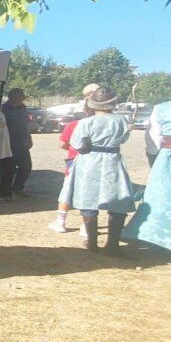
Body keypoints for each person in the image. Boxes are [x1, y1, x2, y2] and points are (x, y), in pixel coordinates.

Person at [63, 87, 135, 254]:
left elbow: (77, 144)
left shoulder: (85, 122)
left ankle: (92, 243)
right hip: (113, 161)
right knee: (117, 199)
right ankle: (112, 244)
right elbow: (124, 138)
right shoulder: (121, 120)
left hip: (89, 161)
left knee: (88, 199)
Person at [124, 81, 171, 254]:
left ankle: (159, 237)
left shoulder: (161, 108)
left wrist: (153, 157)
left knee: (162, 196)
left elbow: (153, 137)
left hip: (169, 157)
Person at [48, 83, 99, 236]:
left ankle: (61, 221)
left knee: (67, 189)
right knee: (90, 191)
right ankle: (86, 225)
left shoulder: (74, 124)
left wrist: (72, 149)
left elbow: (62, 143)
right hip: (94, 160)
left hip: (74, 159)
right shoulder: (103, 125)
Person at [1, 88, 33, 194]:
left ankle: (18, 187)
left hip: (22, 142)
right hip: (8, 142)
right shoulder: (3, 109)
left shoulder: (22, 107)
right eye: (21, 95)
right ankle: (6, 191)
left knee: (26, 166)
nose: (23, 98)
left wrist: (29, 137)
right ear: (12, 97)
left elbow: (26, 124)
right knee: (9, 168)